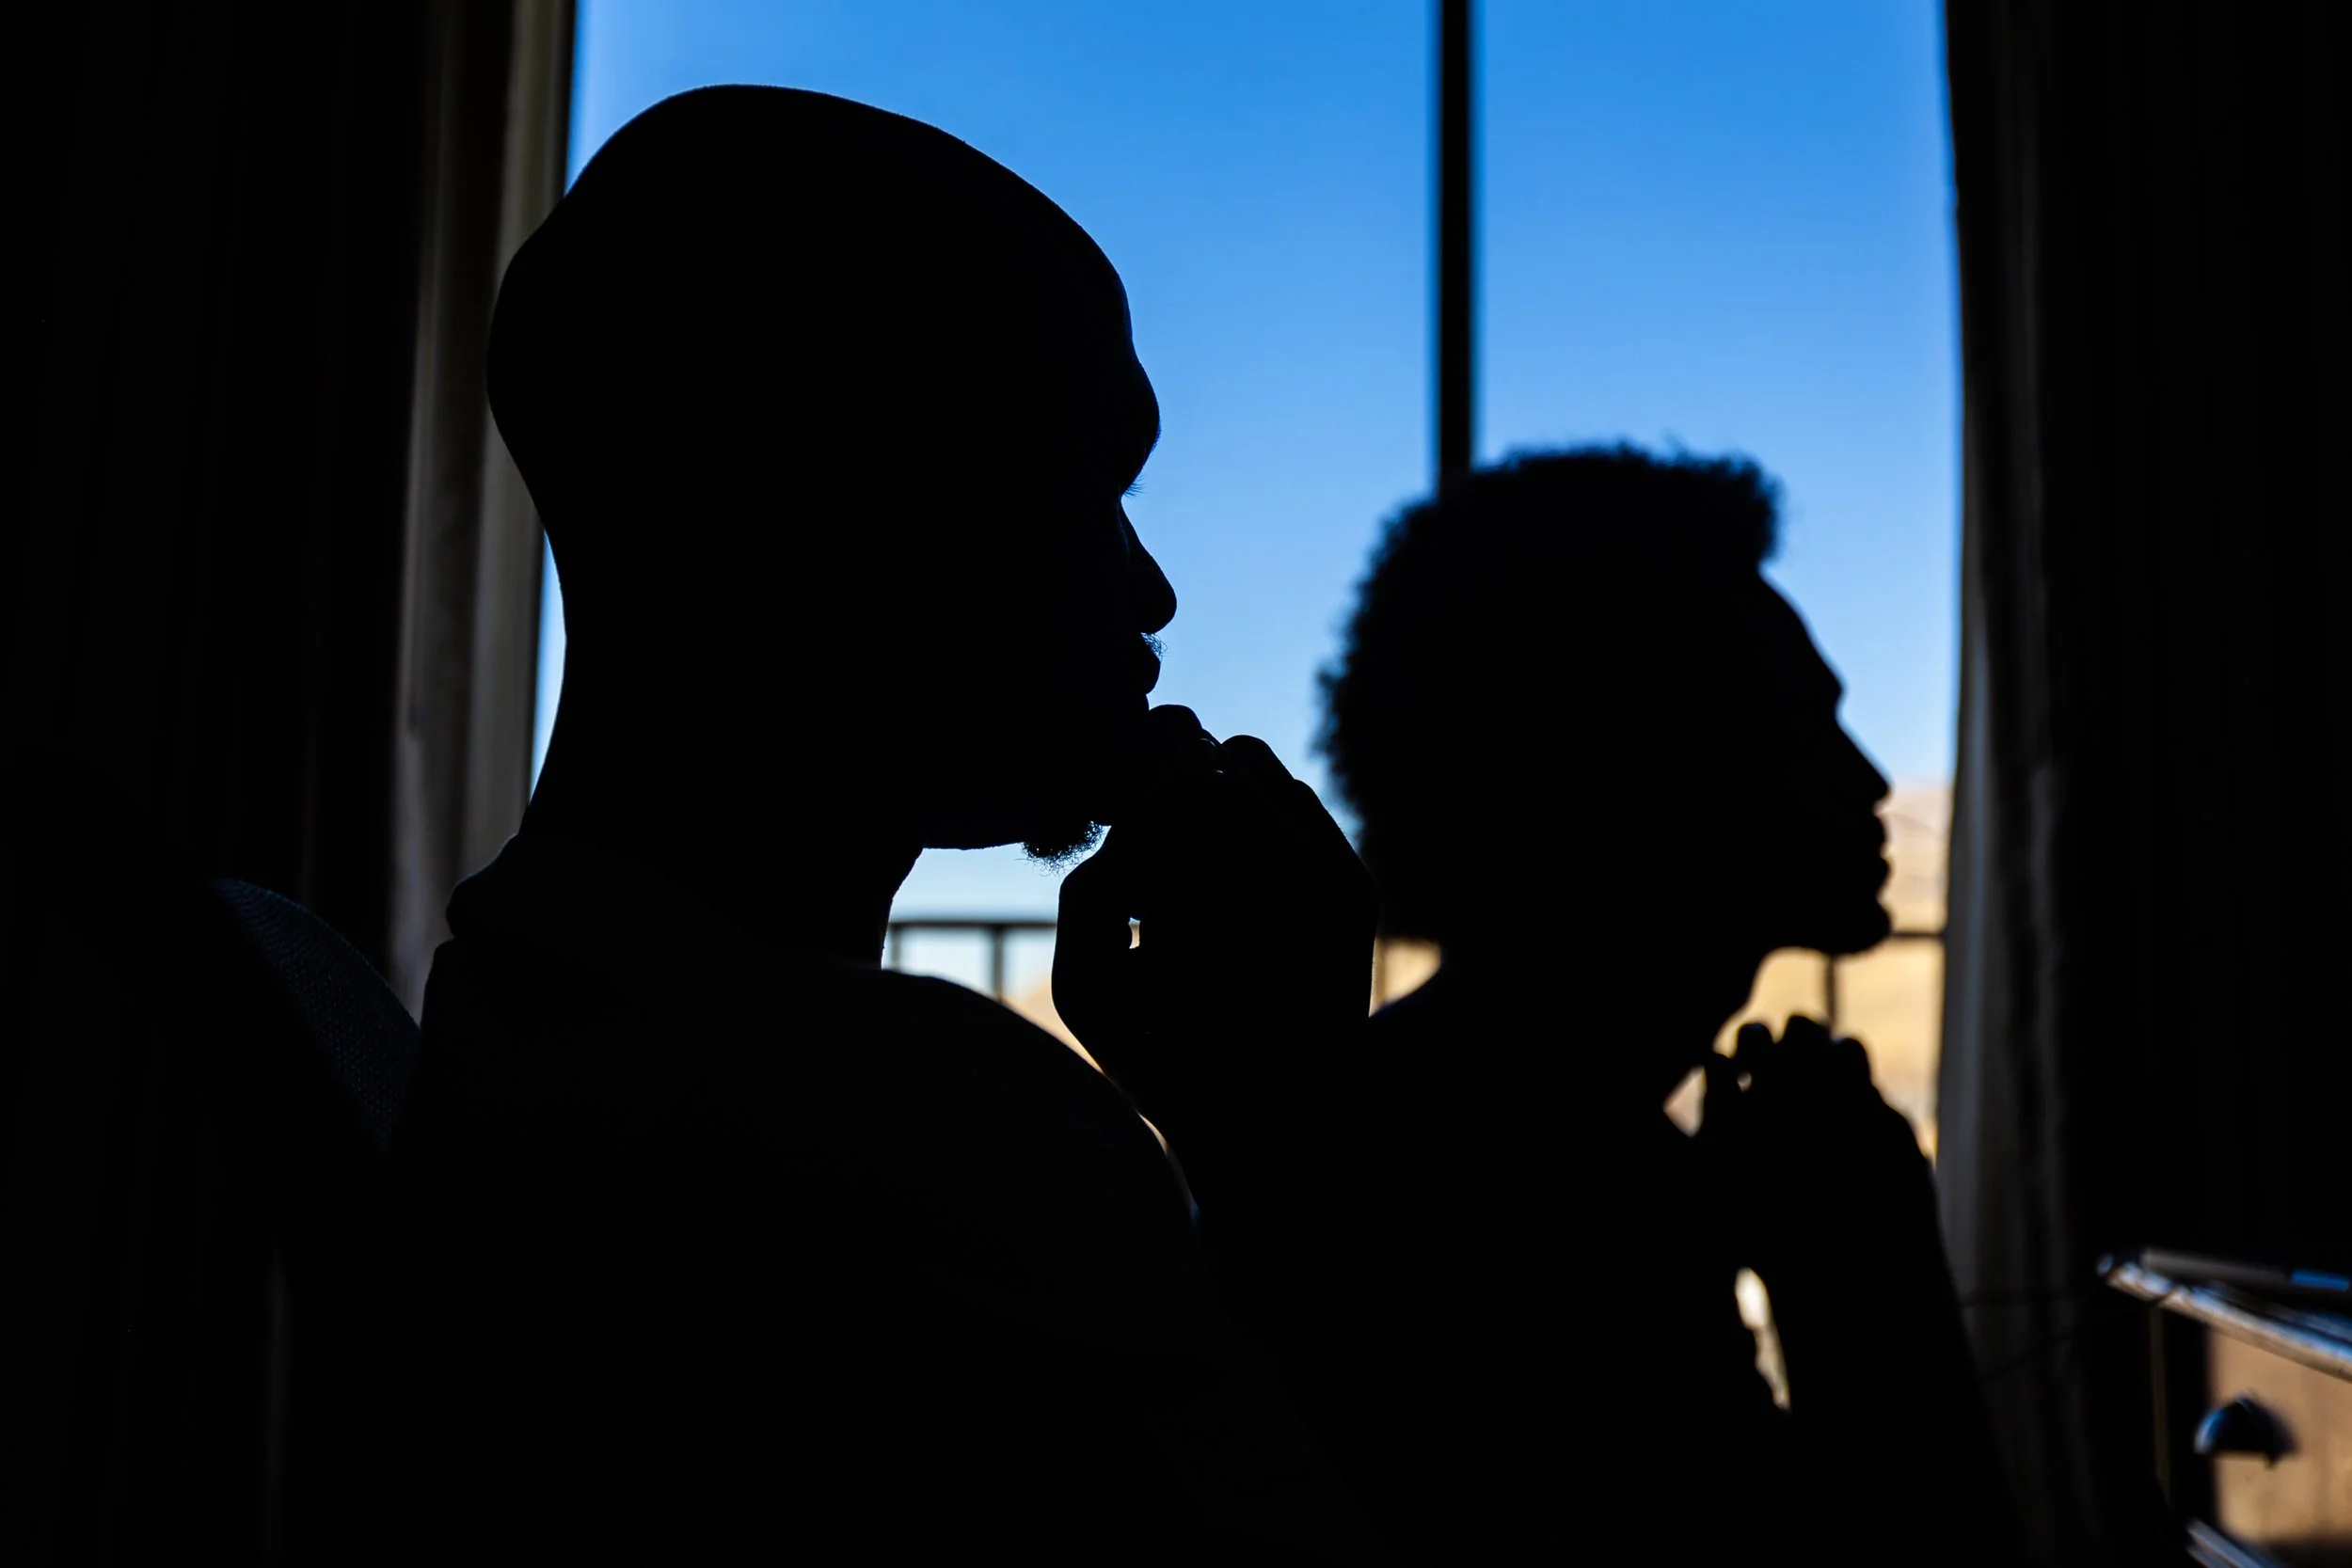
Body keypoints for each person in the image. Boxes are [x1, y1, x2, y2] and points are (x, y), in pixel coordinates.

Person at [371, 87, 1380, 1563]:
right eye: (1084, 490)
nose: (1150, 588)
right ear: (844, 501)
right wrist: (1290, 1137)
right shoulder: (939, 1132)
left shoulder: (525, 1012)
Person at [1112, 447, 2018, 1561]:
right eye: (1804, 721)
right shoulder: (1536, 1186)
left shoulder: (1467, 1113)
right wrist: (1866, 1279)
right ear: (1650, 768)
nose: (1870, 780)